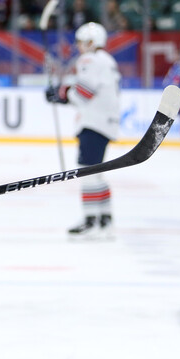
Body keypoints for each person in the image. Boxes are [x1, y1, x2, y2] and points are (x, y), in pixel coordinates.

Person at [45, 22, 120, 240]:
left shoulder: (90, 59)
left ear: (91, 42)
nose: (78, 46)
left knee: (87, 172)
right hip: (104, 122)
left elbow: (84, 94)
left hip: (94, 123)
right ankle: (105, 218)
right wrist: (65, 92)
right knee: (95, 173)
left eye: (81, 41)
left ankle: (91, 220)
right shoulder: (106, 60)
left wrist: (62, 96)